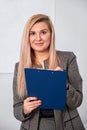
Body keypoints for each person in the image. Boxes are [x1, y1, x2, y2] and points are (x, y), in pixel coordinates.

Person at [13, 14, 85, 130]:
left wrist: (64, 85)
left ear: (51, 34)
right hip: (32, 126)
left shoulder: (68, 58)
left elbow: (77, 101)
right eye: (33, 33)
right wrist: (24, 109)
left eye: (43, 32)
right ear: (27, 37)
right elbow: (17, 109)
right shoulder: (19, 67)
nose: (38, 38)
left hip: (67, 125)